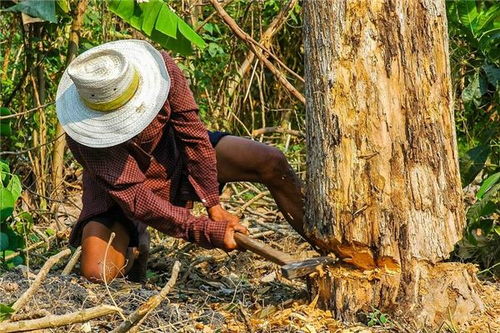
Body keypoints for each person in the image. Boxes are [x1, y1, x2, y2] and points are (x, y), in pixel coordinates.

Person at [56, 40, 307, 283]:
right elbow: (135, 197)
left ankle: (326, 242)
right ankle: (135, 241)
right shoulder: (83, 138)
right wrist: (206, 231)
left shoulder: (162, 71)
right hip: (120, 194)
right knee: (96, 272)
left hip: (176, 158)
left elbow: (195, 137)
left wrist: (214, 206)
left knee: (270, 161)